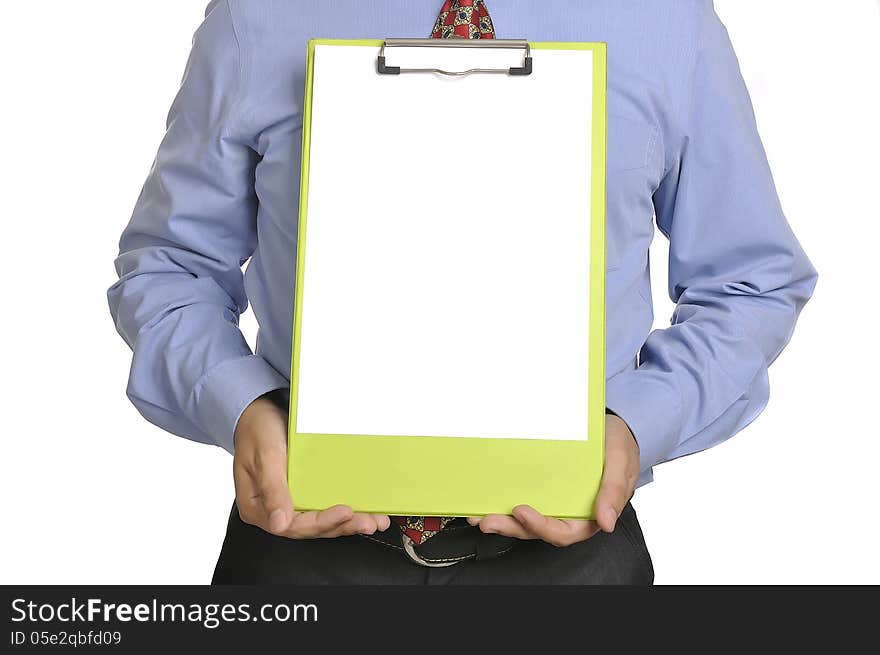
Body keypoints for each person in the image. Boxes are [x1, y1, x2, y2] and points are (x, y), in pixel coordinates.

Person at [107, 0, 817, 585]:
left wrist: (637, 423)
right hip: (299, 555)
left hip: (578, 564)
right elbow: (171, 264)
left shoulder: (665, 20)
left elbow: (750, 278)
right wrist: (240, 406)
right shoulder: (257, 15)